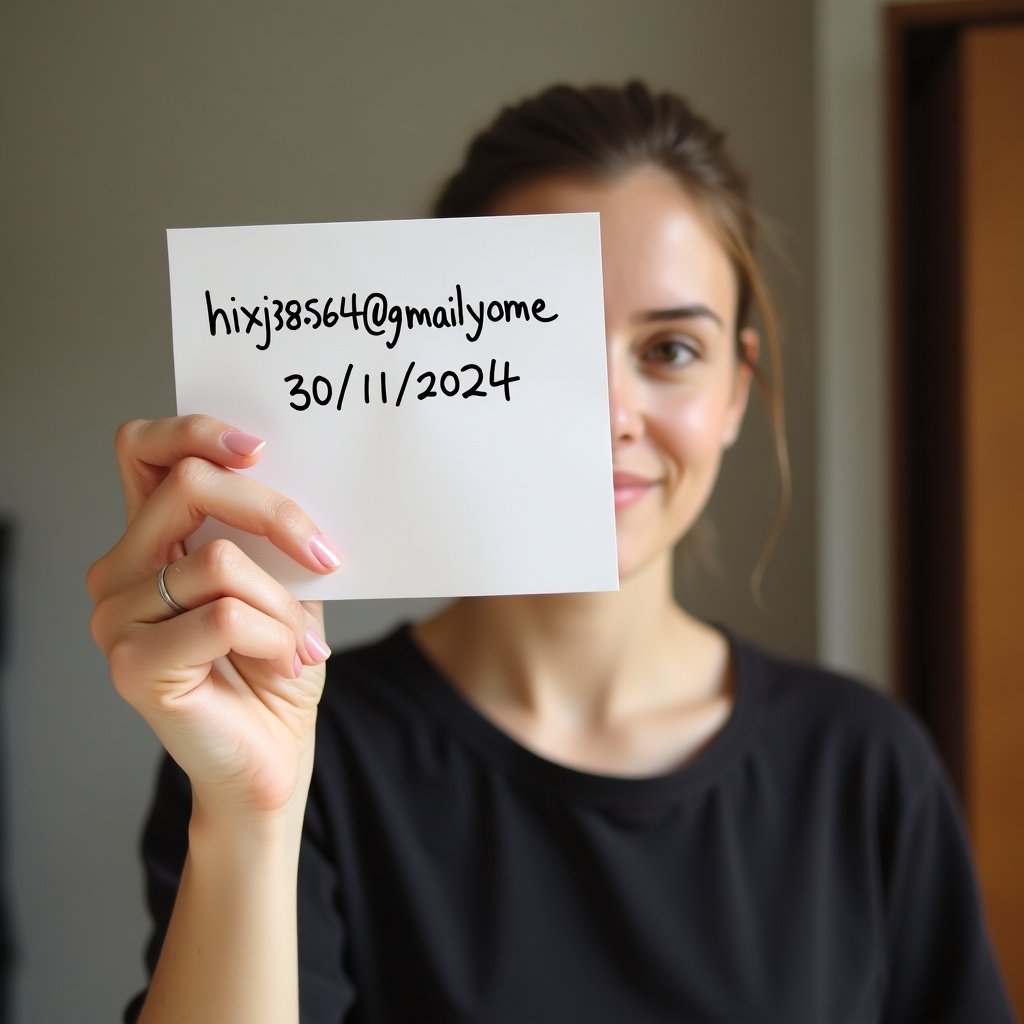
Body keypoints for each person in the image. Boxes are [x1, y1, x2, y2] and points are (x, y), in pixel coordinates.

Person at [88, 82, 1015, 1024]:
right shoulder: (291, 755)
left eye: (670, 351)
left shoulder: (862, 766)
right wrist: (252, 816)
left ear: (737, 391)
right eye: (551, 342)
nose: (609, 416)